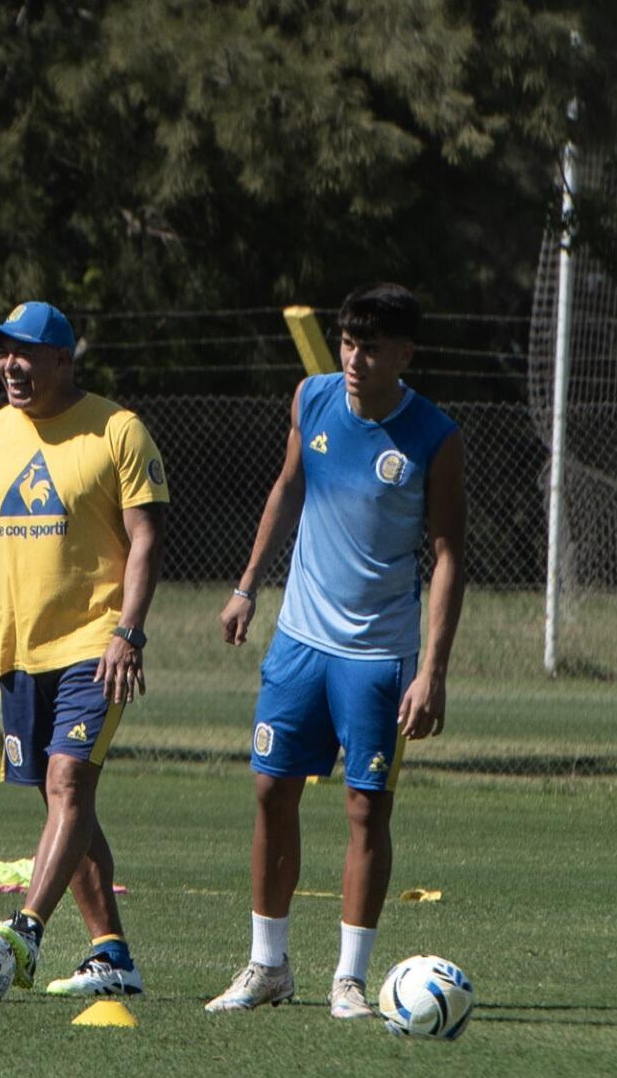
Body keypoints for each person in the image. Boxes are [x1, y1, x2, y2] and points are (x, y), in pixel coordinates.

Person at [205, 283, 464, 1019]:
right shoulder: (311, 398)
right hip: (298, 641)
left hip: (377, 655)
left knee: (364, 807)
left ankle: (348, 979)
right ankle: (267, 965)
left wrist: (433, 671)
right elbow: (288, 487)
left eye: (370, 348)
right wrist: (248, 585)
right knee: (270, 790)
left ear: (404, 354)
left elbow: (449, 556)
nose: (353, 359)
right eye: (348, 343)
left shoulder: (435, 437)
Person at [0, 301, 168, 998]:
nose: (10, 364)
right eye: (3, 351)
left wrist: (128, 631)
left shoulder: (117, 429)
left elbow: (146, 537)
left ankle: (25, 932)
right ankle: (112, 955)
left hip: (97, 641)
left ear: (63, 358)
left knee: (69, 784)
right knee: (62, 800)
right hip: (21, 650)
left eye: (25, 352)